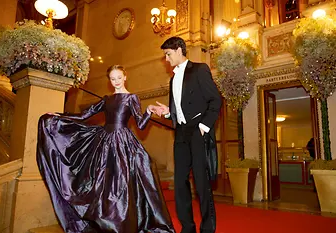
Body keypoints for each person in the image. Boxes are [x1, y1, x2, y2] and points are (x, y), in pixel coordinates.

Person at [36, 65, 175, 233]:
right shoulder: (107, 99)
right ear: (109, 80)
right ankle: (106, 222)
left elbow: (141, 125)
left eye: (118, 77)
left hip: (123, 143)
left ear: (125, 77)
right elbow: (84, 115)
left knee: (122, 183)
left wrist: (148, 111)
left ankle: (122, 224)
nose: (116, 81)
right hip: (104, 142)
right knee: (102, 184)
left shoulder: (131, 98)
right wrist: (60, 115)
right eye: (112, 78)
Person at [155, 37, 222, 233]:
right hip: (181, 133)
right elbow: (180, 110)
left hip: (198, 131)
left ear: (178, 50)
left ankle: (208, 228)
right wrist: (168, 113)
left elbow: (215, 100)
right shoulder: (173, 78)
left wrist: (204, 126)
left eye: (168, 54)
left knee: (202, 183)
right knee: (180, 183)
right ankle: (187, 228)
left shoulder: (200, 69)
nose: (166, 59)